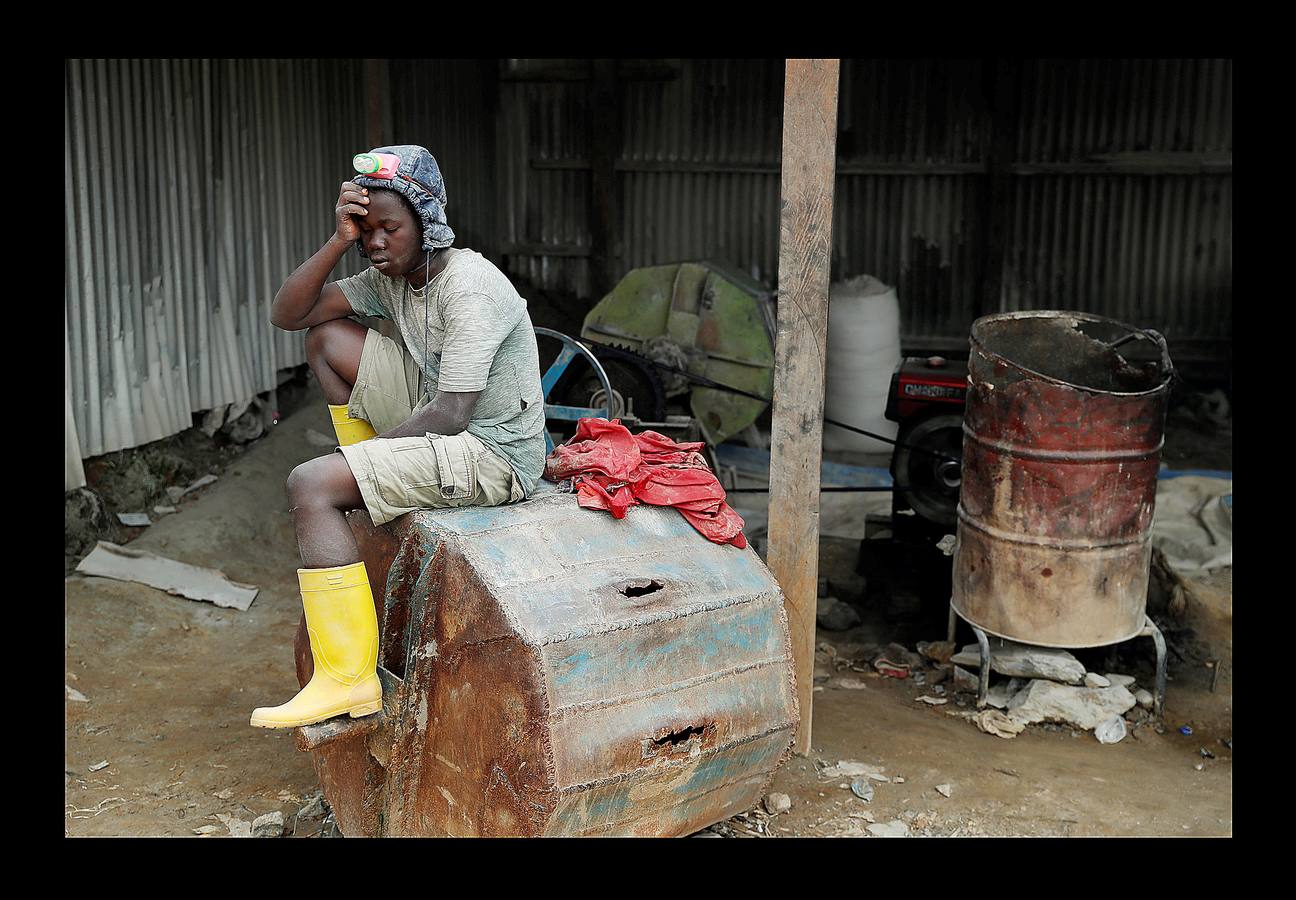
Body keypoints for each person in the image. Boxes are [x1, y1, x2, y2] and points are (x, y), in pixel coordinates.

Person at [250, 145, 546, 729]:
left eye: (390, 228)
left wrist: (356, 461)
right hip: (436, 409)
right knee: (326, 339)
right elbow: (290, 313)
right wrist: (337, 241)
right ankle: (362, 486)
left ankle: (347, 680)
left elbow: (456, 411)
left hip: (491, 452)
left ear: (427, 222)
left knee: (310, 484)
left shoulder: (469, 286)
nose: (376, 242)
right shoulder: (395, 278)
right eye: (367, 231)